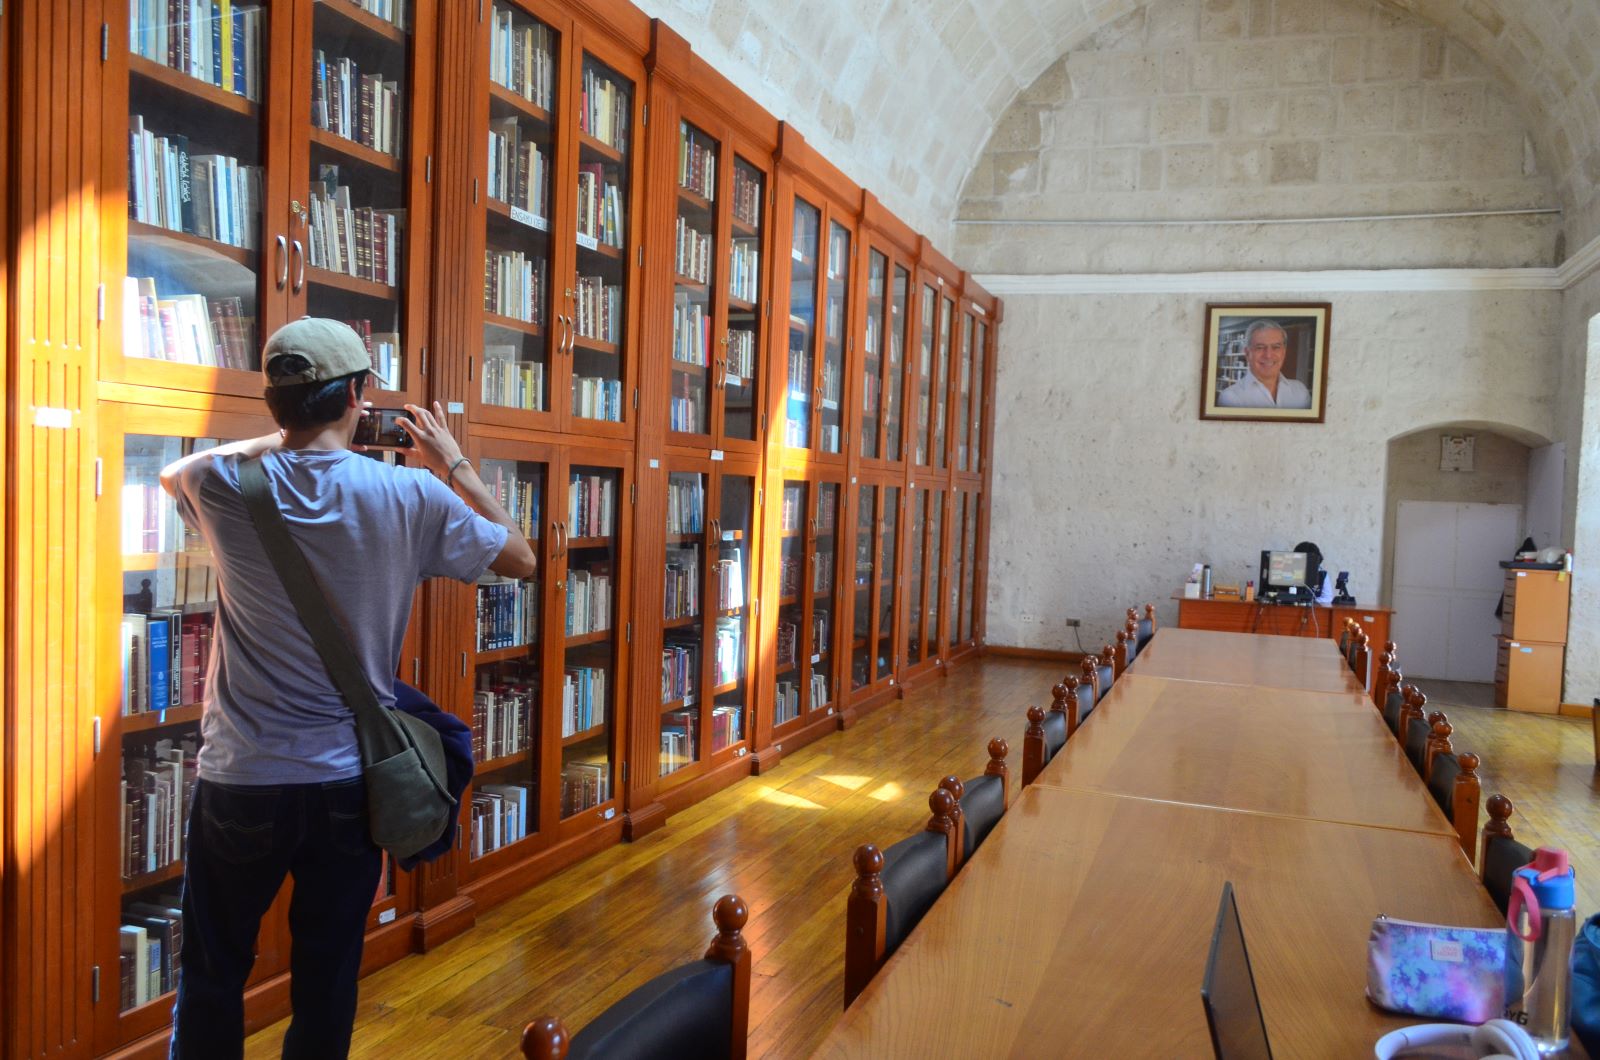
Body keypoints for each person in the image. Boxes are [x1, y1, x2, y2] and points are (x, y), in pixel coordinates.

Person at [157, 318, 536, 1059]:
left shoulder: (221, 482)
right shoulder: (410, 492)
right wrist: (454, 464)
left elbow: (177, 472)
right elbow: (520, 558)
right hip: (348, 782)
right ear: (359, 395)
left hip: (241, 779)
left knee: (211, 974)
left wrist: (285, 437)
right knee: (327, 979)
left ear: (275, 402)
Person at [1217, 320, 1312, 409]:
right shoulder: (1230, 398)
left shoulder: (1300, 391)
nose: (1268, 355)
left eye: (1276, 347)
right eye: (1260, 347)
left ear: (1283, 353)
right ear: (1247, 353)